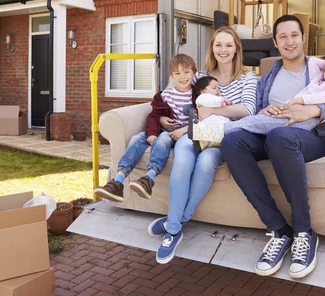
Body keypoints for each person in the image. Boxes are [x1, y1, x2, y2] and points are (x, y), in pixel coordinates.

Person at [221, 15, 325, 279]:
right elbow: (254, 110)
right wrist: (264, 108)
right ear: (275, 42)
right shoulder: (268, 76)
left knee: (279, 137)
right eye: (283, 37)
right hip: (274, 131)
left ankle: (303, 232)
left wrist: (314, 109)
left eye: (294, 35)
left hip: (314, 138)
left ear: (303, 37)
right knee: (231, 141)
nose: (289, 41)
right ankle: (278, 230)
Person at [148, 27, 257, 264]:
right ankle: (174, 229)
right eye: (218, 45)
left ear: (237, 48)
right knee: (182, 161)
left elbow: (247, 110)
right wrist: (163, 117)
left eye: (229, 45)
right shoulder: (200, 77)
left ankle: (174, 221)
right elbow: (175, 95)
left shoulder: (248, 78)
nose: (223, 50)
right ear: (212, 48)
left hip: (224, 134)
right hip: (194, 132)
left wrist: (211, 110)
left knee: (207, 162)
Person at [188, 49, 325, 148]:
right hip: (289, 112)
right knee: (255, 123)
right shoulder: (322, 77)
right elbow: (314, 62)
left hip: (309, 123)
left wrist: (302, 103)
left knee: (255, 123)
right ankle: (207, 139)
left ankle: (206, 133)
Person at [94, 54, 197, 202]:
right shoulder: (164, 95)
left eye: (187, 72)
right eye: (177, 73)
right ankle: (117, 181)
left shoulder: (198, 95)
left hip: (179, 134)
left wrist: (183, 129)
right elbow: (154, 115)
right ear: (172, 76)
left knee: (162, 140)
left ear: (194, 73)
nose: (183, 77)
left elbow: (203, 117)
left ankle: (148, 179)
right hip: (161, 130)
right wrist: (151, 134)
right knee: (137, 138)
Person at [190, 76, 231, 151]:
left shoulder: (215, 98)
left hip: (219, 125)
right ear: (203, 90)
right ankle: (200, 143)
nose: (217, 90)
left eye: (218, 88)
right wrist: (223, 101)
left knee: (216, 139)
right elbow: (212, 101)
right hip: (210, 124)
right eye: (214, 88)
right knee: (212, 136)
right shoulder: (203, 97)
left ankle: (202, 144)